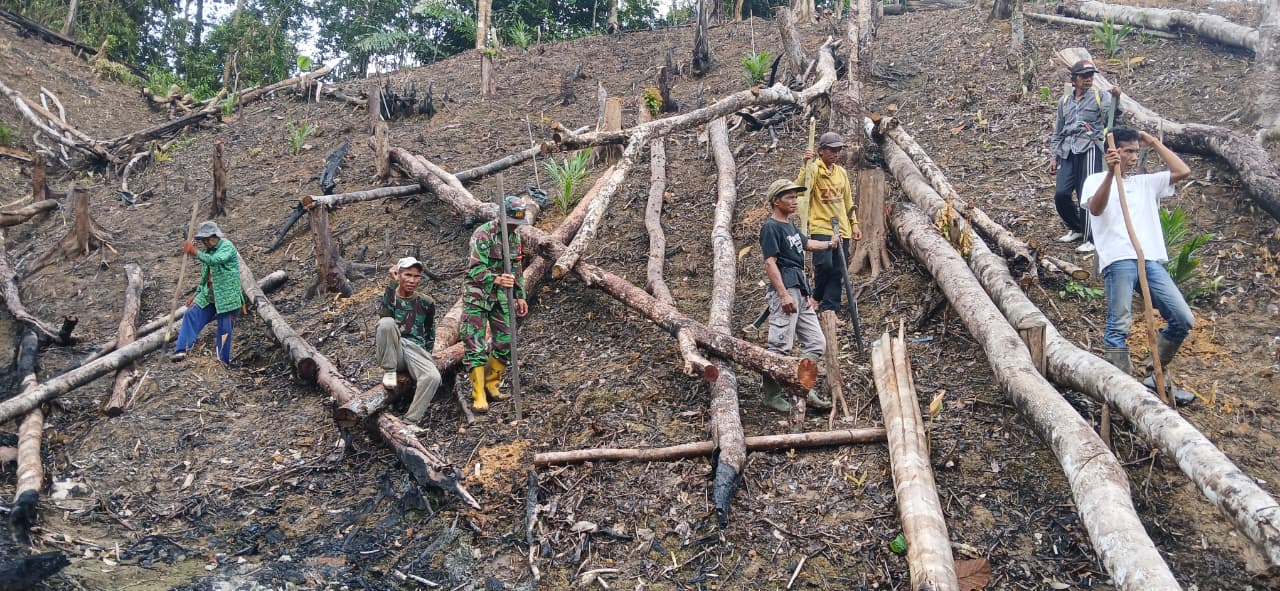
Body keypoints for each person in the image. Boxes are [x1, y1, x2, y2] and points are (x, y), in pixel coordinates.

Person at [1083, 125, 1195, 405]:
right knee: (1118, 325)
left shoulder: (1146, 183)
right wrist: (1111, 173)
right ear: (1114, 151)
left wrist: (1154, 142)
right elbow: (1096, 208)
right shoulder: (1095, 179)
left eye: (1136, 150)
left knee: (1182, 318)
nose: (1134, 156)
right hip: (1119, 259)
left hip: (1149, 260)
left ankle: (1153, 376)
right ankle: (1122, 394)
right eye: (1128, 151)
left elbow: (1183, 171)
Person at [760, 179, 835, 413]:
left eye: (796, 196)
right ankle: (771, 395)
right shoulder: (771, 227)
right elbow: (770, 262)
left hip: (801, 289)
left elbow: (806, 244)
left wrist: (830, 244)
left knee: (816, 342)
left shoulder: (790, 227)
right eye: (789, 197)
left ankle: (803, 387)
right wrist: (783, 295)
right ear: (776, 200)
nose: (795, 201)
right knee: (779, 345)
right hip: (786, 287)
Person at [461, 195, 530, 413]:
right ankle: (478, 392)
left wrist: (520, 294)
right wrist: (496, 278)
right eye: (511, 222)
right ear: (502, 217)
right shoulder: (483, 234)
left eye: (517, 224)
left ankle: (492, 383)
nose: (513, 227)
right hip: (478, 296)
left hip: (502, 296)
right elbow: (474, 269)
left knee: (506, 339)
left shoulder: (514, 237)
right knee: (475, 344)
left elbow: (517, 267)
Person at [1050, 59, 1121, 254]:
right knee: (1061, 194)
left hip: (1090, 147)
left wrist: (1116, 99)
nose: (1089, 79)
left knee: (1086, 193)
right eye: (1084, 76)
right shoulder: (1064, 101)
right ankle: (1077, 227)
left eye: (1091, 76)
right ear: (1074, 79)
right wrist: (1054, 156)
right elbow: (1058, 130)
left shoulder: (1100, 97)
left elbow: (1113, 116)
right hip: (1068, 149)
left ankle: (1091, 237)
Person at [796, 131, 862, 315]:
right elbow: (801, 188)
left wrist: (854, 224)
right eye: (832, 150)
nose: (835, 153)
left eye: (838, 150)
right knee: (824, 264)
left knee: (838, 270)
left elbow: (848, 201)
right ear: (821, 151)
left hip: (842, 227)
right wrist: (805, 165)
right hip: (822, 226)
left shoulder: (841, 172)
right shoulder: (815, 169)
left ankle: (830, 309)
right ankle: (816, 297)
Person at [375, 257, 442, 424]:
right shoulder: (388, 296)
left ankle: (410, 420)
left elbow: (429, 330)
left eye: (416, 276)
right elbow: (384, 317)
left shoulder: (426, 302)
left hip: (415, 350)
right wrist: (392, 284)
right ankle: (389, 371)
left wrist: (427, 355)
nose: (412, 280)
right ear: (399, 274)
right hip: (394, 350)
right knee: (386, 323)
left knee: (433, 377)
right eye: (407, 275)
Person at [172, 221, 242, 365]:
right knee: (191, 314)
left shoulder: (227, 247)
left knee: (224, 329)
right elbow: (205, 278)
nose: (205, 243)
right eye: (203, 240)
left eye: (207, 239)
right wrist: (196, 294)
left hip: (227, 297)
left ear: (214, 236)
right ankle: (181, 349)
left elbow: (216, 261)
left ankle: (222, 361)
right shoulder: (208, 251)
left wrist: (195, 252)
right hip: (209, 295)